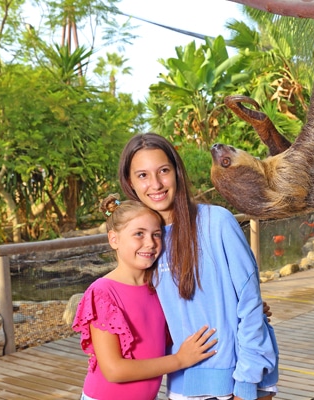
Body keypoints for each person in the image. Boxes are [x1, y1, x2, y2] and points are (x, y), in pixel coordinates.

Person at [118, 133, 279, 400]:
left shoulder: (217, 222)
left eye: (163, 171)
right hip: (185, 382)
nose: (155, 184)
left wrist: (246, 383)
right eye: (143, 175)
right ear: (130, 182)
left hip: (240, 377)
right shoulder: (145, 245)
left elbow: (249, 303)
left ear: (177, 172)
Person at [73, 194, 218, 400]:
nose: (150, 243)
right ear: (114, 239)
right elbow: (114, 370)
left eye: (156, 234)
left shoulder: (160, 286)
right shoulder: (103, 293)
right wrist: (180, 360)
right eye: (139, 234)